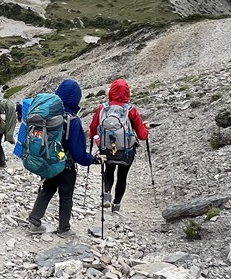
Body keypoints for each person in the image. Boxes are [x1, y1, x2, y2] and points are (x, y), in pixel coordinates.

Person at [27, 79, 99, 235]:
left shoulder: (48, 115)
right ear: (76, 98)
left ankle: (34, 220)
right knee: (66, 195)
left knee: (47, 189)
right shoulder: (73, 120)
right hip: (66, 166)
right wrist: (92, 159)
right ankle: (64, 228)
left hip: (49, 161)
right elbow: (79, 153)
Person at [88, 78, 149, 213]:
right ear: (127, 92)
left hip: (107, 150)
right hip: (125, 153)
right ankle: (116, 205)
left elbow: (92, 130)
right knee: (122, 176)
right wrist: (147, 128)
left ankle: (106, 195)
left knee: (109, 171)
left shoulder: (102, 108)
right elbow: (142, 135)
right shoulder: (131, 110)